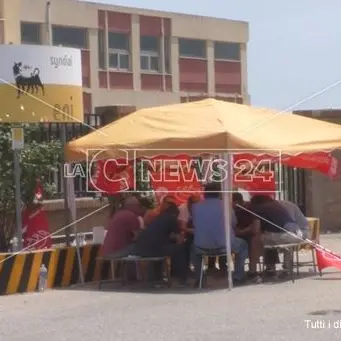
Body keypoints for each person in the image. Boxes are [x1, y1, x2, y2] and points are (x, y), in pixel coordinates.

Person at [192, 182, 249, 287]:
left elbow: (195, 224)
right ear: (219, 193)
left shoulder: (195, 207)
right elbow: (233, 223)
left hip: (201, 246)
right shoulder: (226, 206)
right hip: (225, 246)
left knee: (193, 248)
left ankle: (198, 279)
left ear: (204, 194)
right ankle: (238, 276)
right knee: (243, 245)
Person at [133, 202, 188, 286]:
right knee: (180, 249)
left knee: (160, 248)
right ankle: (180, 278)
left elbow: (160, 235)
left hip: (142, 248)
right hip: (155, 249)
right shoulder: (171, 218)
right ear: (175, 213)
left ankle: (154, 278)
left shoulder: (158, 218)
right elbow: (179, 239)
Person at [250, 195, 302, 276]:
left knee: (257, 240)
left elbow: (256, 230)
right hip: (297, 234)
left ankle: (255, 270)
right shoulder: (278, 206)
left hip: (283, 236)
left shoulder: (258, 209)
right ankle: (287, 267)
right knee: (272, 238)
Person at [232, 192, 262, 280]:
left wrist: (241, 232)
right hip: (237, 234)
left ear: (236, 202)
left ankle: (252, 271)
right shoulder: (232, 210)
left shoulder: (250, 209)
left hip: (249, 234)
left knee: (253, 240)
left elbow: (255, 227)